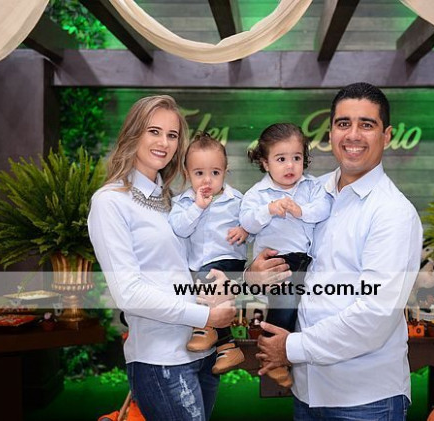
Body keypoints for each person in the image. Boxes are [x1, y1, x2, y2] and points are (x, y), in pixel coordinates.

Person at [253, 83, 424, 420]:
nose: (353, 135)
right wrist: (255, 274)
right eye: (344, 123)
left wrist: (290, 347)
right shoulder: (307, 192)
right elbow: (277, 260)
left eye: (367, 124)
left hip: (366, 401)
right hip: (306, 393)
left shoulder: (393, 213)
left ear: (387, 136)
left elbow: (374, 315)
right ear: (330, 133)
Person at [88, 95, 235, 421]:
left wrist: (228, 281)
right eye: (154, 131)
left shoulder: (175, 201)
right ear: (133, 133)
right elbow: (128, 293)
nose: (164, 142)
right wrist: (205, 316)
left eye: (172, 135)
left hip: (203, 352)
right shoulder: (110, 202)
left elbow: (188, 269)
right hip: (160, 359)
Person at [239, 123, 331, 387]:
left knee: (307, 307)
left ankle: (289, 354)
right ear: (265, 163)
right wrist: (269, 209)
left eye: (296, 158)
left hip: (305, 261)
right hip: (276, 261)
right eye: (281, 159)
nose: (290, 165)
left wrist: (301, 211)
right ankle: (273, 357)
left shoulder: (312, 187)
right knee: (285, 303)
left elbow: (323, 209)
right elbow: (247, 222)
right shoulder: (258, 194)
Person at [168, 132, 247, 375]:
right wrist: (197, 207)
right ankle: (227, 347)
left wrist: (245, 230)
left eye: (215, 172)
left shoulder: (237, 200)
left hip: (229, 263)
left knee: (208, 281)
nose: (207, 180)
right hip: (198, 269)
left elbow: (253, 225)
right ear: (187, 173)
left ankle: (205, 329)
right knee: (203, 290)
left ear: (225, 171)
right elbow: (179, 228)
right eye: (199, 173)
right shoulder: (182, 203)